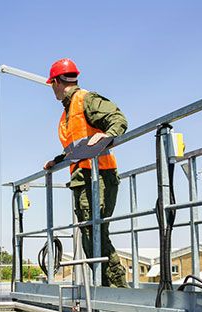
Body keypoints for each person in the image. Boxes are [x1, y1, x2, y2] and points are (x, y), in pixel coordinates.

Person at [43, 58, 129, 288]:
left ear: (57, 82)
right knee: (90, 234)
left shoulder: (85, 99)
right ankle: (108, 286)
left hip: (99, 176)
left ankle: (117, 287)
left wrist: (107, 134)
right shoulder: (68, 112)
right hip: (83, 178)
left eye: (52, 84)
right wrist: (57, 161)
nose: (52, 89)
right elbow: (76, 147)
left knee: (94, 234)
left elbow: (118, 120)